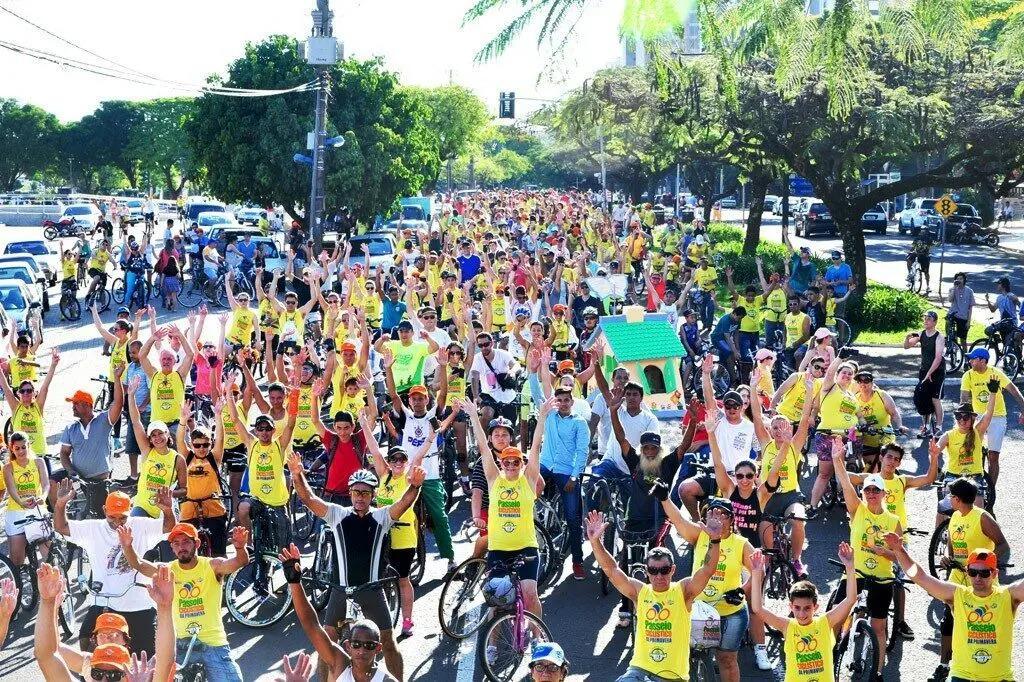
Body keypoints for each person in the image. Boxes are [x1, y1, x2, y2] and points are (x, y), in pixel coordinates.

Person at [287, 452, 425, 680]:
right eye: (356, 492)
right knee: (327, 641)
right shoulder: (337, 514)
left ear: (373, 495)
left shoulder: (382, 517)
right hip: (340, 590)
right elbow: (309, 499)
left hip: (372, 591)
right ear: (350, 493)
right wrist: (296, 474)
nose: (360, 497)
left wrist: (416, 486)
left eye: (365, 493)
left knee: (388, 643)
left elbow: (404, 503)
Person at [587, 509, 722, 682]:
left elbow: (708, 570)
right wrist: (595, 542)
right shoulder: (640, 592)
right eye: (653, 570)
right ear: (647, 571)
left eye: (664, 570)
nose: (659, 576)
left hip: (672, 677)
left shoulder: (683, 591)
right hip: (639, 671)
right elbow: (611, 569)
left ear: (672, 570)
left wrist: (715, 540)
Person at [53, 481, 174, 656]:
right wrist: (60, 504)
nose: (117, 522)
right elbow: (61, 527)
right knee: (87, 641)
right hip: (103, 602)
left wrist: (168, 510)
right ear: (104, 511)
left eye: (122, 518)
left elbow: (168, 527)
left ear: (130, 510)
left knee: (146, 656)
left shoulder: (141, 525)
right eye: (112, 517)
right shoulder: (93, 528)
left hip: (138, 604)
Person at [884, 533, 1024, 682]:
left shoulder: (1008, 596)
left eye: (984, 573)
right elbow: (920, 577)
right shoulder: (957, 595)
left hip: (1000, 678)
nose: (978, 578)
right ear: (967, 572)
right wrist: (899, 551)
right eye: (973, 572)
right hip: (962, 677)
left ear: (994, 573)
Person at [119, 521, 249, 681]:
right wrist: (127, 546)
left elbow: (239, 562)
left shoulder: (212, 566)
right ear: (172, 548)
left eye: (186, 541)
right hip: (180, 646)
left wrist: (240, 548)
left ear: (197, 543)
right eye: (176, 543)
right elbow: (138, 564)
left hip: (214, 644)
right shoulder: (167, 570)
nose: (181, 547)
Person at [34, 562, 175, 682]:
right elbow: (47, 654)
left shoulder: (139, 670)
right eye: (97, 674)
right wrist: (48, 603)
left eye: (114, 676)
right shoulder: (87, 661)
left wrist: (165, 608)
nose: (104, 680)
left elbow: (165, 662)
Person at [361, 412, 435, 639]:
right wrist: (364, 423)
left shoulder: (409, 477)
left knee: (403, 579)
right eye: (394, 460)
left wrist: (431, 437)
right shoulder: (384, 475)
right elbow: (374, 449)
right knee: (377, 578)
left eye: (402, 460)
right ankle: (379, 619)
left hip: (403, 537)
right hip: (381, 535)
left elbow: (420, 455)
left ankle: (407, 620)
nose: (398, 463)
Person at [927, 476, 1008, 681]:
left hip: (981, 579)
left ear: (957, 499)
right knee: (948, 622)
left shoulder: (982, 517)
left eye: (950, 496)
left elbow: (1003, 545)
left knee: (981, 624)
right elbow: (952, 547)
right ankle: (944, 664)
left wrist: (982, 565)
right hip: (957, 577)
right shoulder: (954, 517)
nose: (948, 499)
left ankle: (986, 664)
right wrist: (947, 557)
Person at [280, 544, 401, 682]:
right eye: (356, 644)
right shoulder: (339, 664)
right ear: (348, 646)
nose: (361, 651)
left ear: (378, 648)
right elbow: (311, 625)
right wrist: (295, 582)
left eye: (369, 645)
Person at [833, 439, 902, 679]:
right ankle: (833, 654)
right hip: (856, 574)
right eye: (867, 490)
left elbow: (901, 557)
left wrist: (887, 553)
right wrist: (837, 459)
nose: (871, 494)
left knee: (878, 627)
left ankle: (878, 671)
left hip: (882, 578)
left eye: (876, 490)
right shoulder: (857, 510)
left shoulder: (893, 521)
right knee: (836, 616)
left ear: (884, 494)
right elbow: (845, 482)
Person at [749, 542, 858, 682]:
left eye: (807, 608)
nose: (801, 614)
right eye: (797, 608)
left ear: (815, 607)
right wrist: (756, 573)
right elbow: (757, 608)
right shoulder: (787, 626)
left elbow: (851, 599)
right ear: (790, 606)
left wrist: (850, 566)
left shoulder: (825, 622)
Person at [51, 364, 126, 515]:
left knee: (99, 515)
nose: (73, 407)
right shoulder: (71, 428)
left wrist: (117, 378)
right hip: (77, 477)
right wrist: (71, 471)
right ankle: (57, 516)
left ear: (87, 405)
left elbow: (118, 403)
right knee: (52, 481)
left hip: (98, 480)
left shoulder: (104, 420)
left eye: (76, 403)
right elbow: (64, 453)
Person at [538, 385, 590, 580]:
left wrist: (574, 477)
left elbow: (582, 452)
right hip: (545, 466)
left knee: (572, 519)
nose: (562, 403)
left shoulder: (579, 422)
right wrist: (535, 371)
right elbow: (537, 391)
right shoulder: (549, 416)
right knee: (523, 495)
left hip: (566, 472)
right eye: (559, 400)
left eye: (566, 400)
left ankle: (578, 561)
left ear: (572, 401)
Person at [959, 347, 1024, 488]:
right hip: (978, 417)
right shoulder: (968, 376)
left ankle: (991, 491)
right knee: (970, 452)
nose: (970, 361)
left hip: (997, 416)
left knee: (993, 456)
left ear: (983, 361)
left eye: (973, 359)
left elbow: (1015, 391)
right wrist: (964, 419)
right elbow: (964, 400)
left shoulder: (996, 373)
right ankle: (972, 485)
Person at [2, 431, 50, 569]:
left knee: (48, 553)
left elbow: (46, 485)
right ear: (12, 449)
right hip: (16, 512)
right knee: (17, 561)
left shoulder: (39, 462)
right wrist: (21, 502)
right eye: (17, 448)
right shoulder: (8, 468)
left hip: (37, 509)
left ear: (28, 445)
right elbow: (12, 490)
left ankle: (47, 578)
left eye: (23, 447)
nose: (21, 451)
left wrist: (42, 497)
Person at [906, 310, 946, 436]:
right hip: (924, 370)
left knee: (935, 399)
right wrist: (907, 338)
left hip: (938, 371)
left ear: (935, 322)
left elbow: (938, 358)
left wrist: (930, 373)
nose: (926, 321)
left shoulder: (939, 337)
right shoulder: (921, 333)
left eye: (928, 319)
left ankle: (938, 427)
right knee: (924, 398)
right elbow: (907, 346)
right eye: (925, 319)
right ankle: (926, 427)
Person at [947, 272, 974, 349]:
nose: (959, 280)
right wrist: (954, 288)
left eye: (961, 279)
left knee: (963, 340)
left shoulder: (969, 291)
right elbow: (950, 300)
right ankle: (951, 347)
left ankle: (965, 355)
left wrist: (968, 321)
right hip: (953, 315)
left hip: (963, 317)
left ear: (964, 280)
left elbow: (970, 307)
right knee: (951, 335)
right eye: (957, 279)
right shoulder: (952, 289)